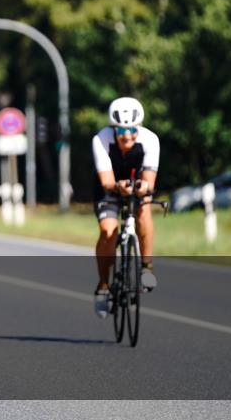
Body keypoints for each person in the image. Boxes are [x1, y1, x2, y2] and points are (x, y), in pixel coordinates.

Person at [92, 97, 160, 318]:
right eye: (121, 131)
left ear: (138, 127)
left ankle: (146, 267)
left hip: (137, 187)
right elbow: (106, 182)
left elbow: (150, 179)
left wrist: (143, 188)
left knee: (144, 209)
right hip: (110, 189)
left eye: (132, 130)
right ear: (114, 130)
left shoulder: (151, 140)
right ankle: (103, 286)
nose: (127, 136)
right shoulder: (100, 139)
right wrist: (118, 187)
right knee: (107, 231)